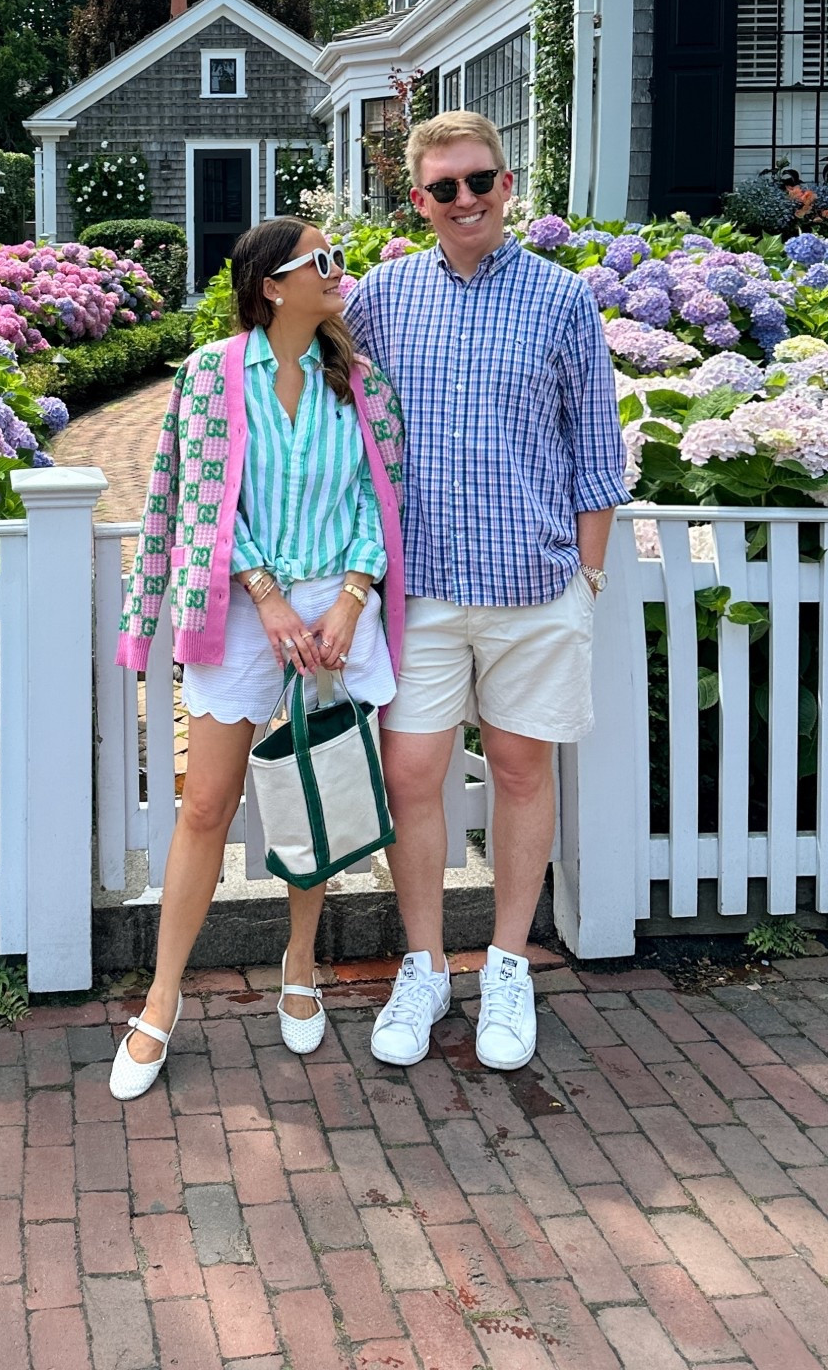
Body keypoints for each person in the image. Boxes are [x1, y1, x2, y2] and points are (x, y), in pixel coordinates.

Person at [343, 111, 627, 1071]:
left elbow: (596, 450)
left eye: (481, 180)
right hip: (419, 591)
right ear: (418, 200)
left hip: (533, 584)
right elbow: (345, 423)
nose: (466, 199)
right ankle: (423, 966)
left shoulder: (562, 300)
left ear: (508, 184)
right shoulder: (383, 296)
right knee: (413, 777)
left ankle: (508, 963)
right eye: (444, 187)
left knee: (518, 771)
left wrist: (584, 577)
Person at [109, 217, 405, 1101]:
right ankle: (161, 1000)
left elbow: (376, 495)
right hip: (243, 604)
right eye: (325, 261)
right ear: (274, 285)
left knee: (316, 782)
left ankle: (302, 959)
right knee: (207, 802)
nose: (340, 271)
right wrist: (269, 597)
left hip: (339, 602)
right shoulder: (211, 375)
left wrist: (353, 597)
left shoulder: (356, 380)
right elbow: (201, 499)